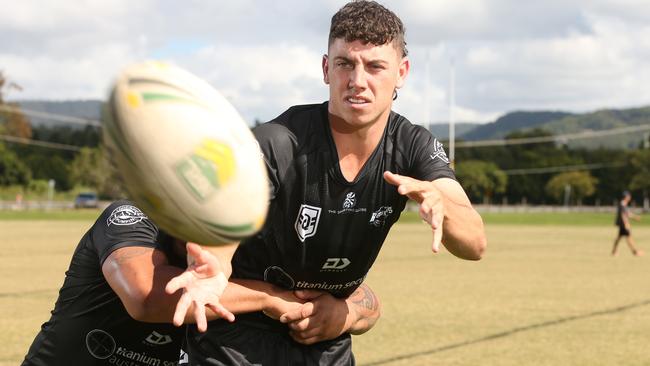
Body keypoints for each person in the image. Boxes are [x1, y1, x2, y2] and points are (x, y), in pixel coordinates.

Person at [170, 1, 487, 365]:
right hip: (234, 345)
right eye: (345, 64)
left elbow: (475, 244)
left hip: (326, 347)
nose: (357, 81)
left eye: (375, 67)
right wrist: (215, 269)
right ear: (326, 68)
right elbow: (224, 233)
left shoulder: (413, 146)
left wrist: (442, 205)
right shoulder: (277, 143)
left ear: (402, 72)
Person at [22, 199, 378, 365]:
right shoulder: (131, 217)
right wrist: (268, 297)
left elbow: (366, 300)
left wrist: (342, 312)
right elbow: (146, 296)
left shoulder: (239, 242)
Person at [612, 191, 643, 256]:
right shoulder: (622, 204)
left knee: (619, 238)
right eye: (629, 196)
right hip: (624, 224)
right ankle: (635, 252)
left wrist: (635, 217)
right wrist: (626, 224)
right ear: (626, 197)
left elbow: (627, 214)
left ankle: (614, 251)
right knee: (629, 238)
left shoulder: (624, 204)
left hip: (622, 224)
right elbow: (623, 215)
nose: (630, 197)